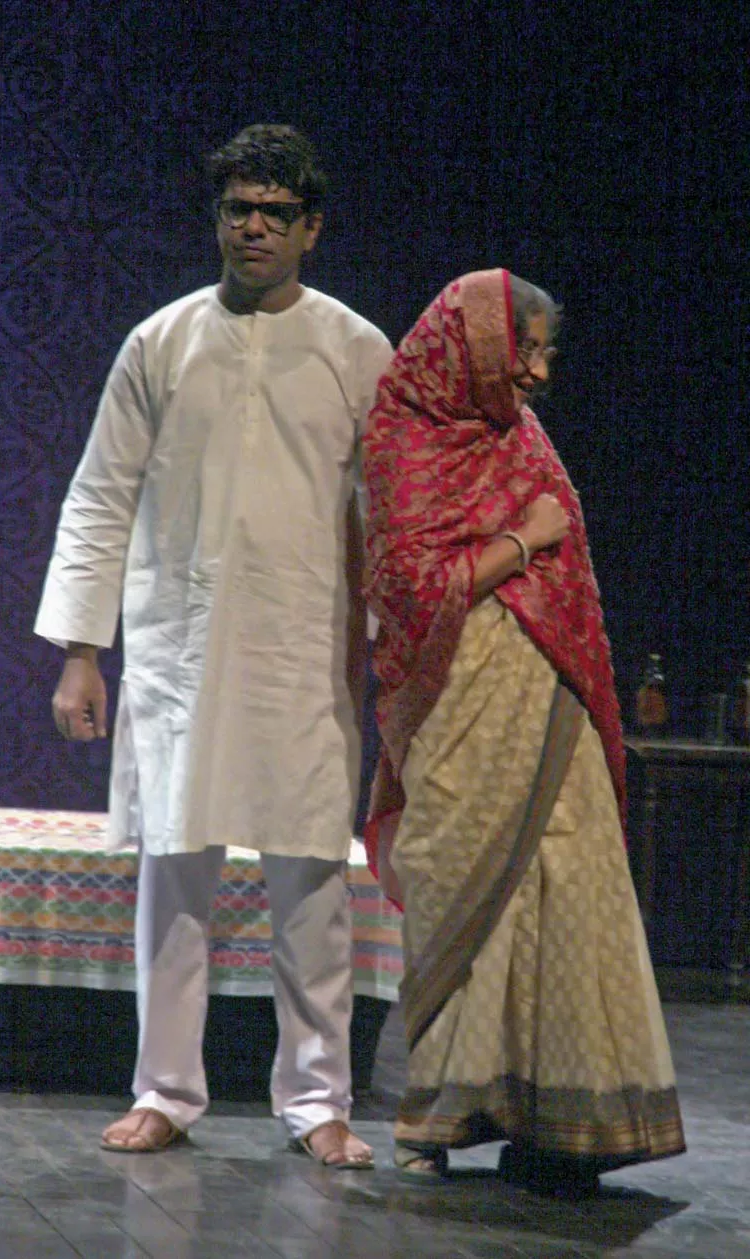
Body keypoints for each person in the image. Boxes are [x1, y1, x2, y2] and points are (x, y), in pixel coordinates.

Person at [34, 124, 392, 1165]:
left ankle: (317, 1099)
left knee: (311, 883)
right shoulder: (162, 341)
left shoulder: (356, 350)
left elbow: (389, 511)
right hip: (181, 648)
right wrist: (80, 649)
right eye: (238, 208)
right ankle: (164, 1090)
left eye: (275, 212)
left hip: (305, 649)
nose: (253, 228)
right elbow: (100, 495)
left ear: (311, 228)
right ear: (217, 219)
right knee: (174, 875)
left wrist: (394, 651)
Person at [362, 268, 685, 1194]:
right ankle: (452, 1104)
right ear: (472, 346)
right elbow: (411, 589)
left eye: (546, 352)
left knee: (570, 881)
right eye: (524, 349)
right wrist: (524, 543)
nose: (538, 372)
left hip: (551, 696)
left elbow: (571, 572)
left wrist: (538, 547)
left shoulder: (522, 436)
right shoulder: (403, 435)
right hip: (459, 700)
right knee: (471, 887)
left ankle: (567, 1120)